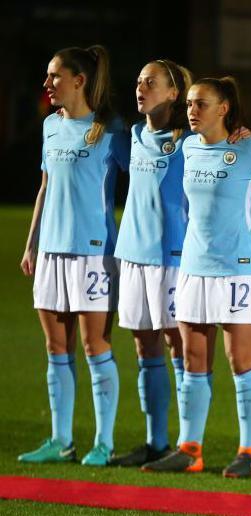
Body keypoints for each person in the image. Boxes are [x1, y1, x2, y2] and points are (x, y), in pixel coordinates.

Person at [142, 77, 251, 478]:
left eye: (201, 103)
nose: (192, 110)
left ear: (224, 108)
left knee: (242, 361)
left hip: (237, 269)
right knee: (193, 360)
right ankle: (190, 449)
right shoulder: (187, 147)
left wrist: (248, 224)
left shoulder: (249, 148)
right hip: (193, 268)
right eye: (189, 103)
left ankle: (249, 453)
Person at [19, 45, 129, 466]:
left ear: (79, 81)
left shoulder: (110, 130)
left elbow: (146, 170)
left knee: (95, 345)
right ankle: (60, 441)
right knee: (55, 348)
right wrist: (32, 244)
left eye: (55, 76)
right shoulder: (51, 126)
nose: (47, 84)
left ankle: (104, 443)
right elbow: (45, 187)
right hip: (51, 251)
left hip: (93, 253)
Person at [108, 59, 193, 467]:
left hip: (172, 257)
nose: (140, 88)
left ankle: (186, 444)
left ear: (174, 93)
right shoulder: (135, 134)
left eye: (150, 82)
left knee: (178, 344)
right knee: (145, 346)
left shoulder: (190, 141)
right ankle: (155, 440)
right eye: (138, 81)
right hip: (133, 255)